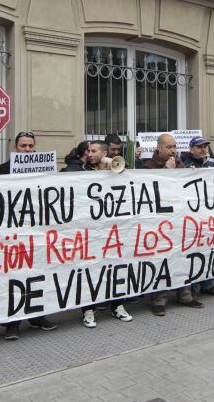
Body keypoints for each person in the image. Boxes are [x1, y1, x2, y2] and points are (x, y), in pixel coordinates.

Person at [0, 131, 59, 338]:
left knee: (38, 275)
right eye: (24, 146)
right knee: (13, 278)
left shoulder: (46, 170)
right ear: (15, 148)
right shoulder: (2, 170)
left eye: (31, 146)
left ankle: (37, 316)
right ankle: (12, 323)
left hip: (38, 232)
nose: (28, 150)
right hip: (12, 235)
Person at [144, 134, 204, 315]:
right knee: (163, 260)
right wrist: (166, 172)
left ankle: (185, 295)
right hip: (161, 223)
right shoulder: (149, 166)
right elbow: (151, 190)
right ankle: (159, 299)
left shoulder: (179, 163)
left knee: (183, 257)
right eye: (169, 147)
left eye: (175, 146)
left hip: (180, 219)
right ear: (159, 148)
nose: (173, 150)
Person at [77, 141, 134, 328]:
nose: (90, 153)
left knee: (115, 267)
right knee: (90, 270)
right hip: (90, 231)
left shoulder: (116, 170)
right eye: (89, 151)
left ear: (104, 153)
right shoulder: (81, 170)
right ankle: (88, 310)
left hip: (113, 230)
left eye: (94, 151)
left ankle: (117, 305)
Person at [181, 137, 214, 297]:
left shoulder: (212, 165)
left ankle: (208, 283)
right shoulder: (184, 164)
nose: (203, 149)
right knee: (193, 252)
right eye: (199, 147)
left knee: (209, 249)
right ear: (191, 149)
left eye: (205, 146)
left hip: (209, 216)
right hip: (192, 217)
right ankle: (194, 285)